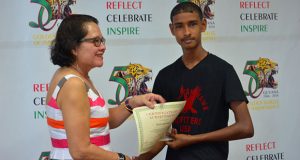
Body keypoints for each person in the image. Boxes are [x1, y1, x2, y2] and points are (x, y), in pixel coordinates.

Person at [136, 2, 254, 160]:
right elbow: (160, 134)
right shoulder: (165, 75)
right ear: (172, 30)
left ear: (203, 25)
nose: (186, 32)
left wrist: (192, 140)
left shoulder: (223, 71)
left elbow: (246, 127)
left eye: (192, 24)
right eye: (179, 26)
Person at [45, 14, 165, 160]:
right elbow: (81, 151)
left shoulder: (76, 76)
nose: (103, 47)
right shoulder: (73, 84)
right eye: (95, 41)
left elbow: (100, 121)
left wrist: (133, 102)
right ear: (73, 47)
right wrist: (123, 159)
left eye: (102, 40)